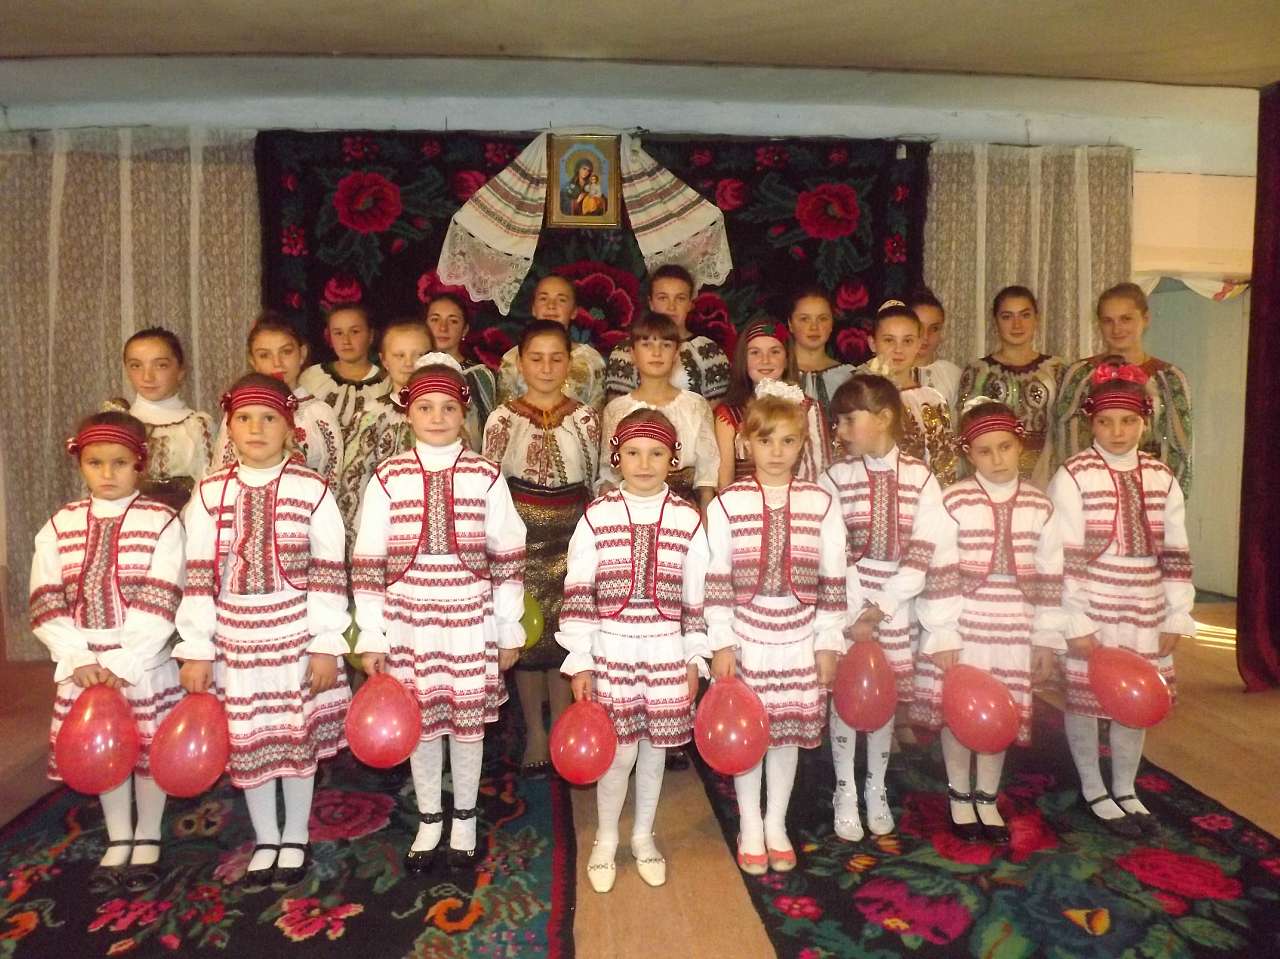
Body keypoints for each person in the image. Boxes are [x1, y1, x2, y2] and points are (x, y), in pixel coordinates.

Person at [175, 374, 351, 891]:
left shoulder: (311, 490)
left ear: (290, 428)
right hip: (235, 639)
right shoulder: (210, 493)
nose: (256, 428)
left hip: (295, 632)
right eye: (245, 419)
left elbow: (328, 570)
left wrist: (324, 643)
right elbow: (198, 573)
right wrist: (197, 647)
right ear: (229, 427)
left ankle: (295, 834)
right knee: (250, 739)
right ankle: (266, 836)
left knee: (294, 738)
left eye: (269, 418)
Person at [353, 364, 526, 873]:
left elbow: (507, 552)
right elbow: (369, 557)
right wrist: (372, 631)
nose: (437, 417)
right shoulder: (389, 477)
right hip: (409, 618)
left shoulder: (485, 475)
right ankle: (430, 817)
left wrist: (507, 625)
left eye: (449, 407)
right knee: (421, 721)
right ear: (408, 413)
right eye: (425, 407)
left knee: (467, 725)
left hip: (469, 617)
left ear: (463, 413)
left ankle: (465, 816)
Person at [558, 409, 710, 892]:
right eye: (634, 453)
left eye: (656, 453)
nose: (644, 464)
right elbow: (578, 589)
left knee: (654, 751)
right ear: (616, 457)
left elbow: (697, 597)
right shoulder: (598, 516)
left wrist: (694, 655)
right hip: (612, 647)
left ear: (673, 460)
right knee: (619, 752)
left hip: (666, 648)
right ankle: (606, 838)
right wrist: (581, 658)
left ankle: (644, 836)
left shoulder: (687, 519)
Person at [31, 412, 185, 889]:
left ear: (139, 463)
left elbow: (163, 594)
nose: (107, 473)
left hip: (140, 662)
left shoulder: (161, 522)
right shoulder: (59, 525)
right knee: (104, 748)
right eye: (95, 463)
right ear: (79, 464)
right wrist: (78, 657)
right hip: (85, 665)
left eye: (119, 462)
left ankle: (148, 832)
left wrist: (124, 658)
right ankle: (119, 835)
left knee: (146, 749)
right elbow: (46, 596)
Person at [706, 394, 853, 875]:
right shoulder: (728, 504)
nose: (776, 451)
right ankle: (750, 823)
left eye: (788, 441)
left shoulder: (820, 503)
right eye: (765, 440)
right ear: (746, 443)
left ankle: (776, 823)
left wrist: (827, 640)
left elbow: (833, 576)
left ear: (802, 445)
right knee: (749, 733)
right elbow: (716, 576)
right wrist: (722, 641)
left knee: (785, 735)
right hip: (747, 637)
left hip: (799, 637)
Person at [1048, 361, 1194, 837]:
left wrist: (1176, 612)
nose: (1117, 431)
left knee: (1137, 696)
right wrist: (1075, 620)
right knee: (1088, 699)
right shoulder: (1074, 475)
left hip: (1144, 604)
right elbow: (1062, 552)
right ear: (1090, 422)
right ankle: (1093, 785)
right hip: (1093, 600)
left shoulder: (1161, 477)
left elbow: (1175, 550)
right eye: (1106, 421)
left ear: (1144, 422)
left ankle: (1126, 786)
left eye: (1128, 421)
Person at [910, 402, 1065, 842]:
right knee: (962, 710)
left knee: (1002, 709)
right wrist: (942, 633)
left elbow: (1052, 576)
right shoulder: (953, 501)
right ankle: (959, 793)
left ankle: (987, 794)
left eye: (1005, 447)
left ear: (1020, 446)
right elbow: (937, 569)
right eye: (984, 451)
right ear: (968, 453)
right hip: (965, 621)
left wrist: (1045, 638)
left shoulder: (1040, 506)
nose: (997, 459)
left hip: (1015, 624)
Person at [819, 374, 959, 840]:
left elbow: (923, 551)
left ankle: (875, 787)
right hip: (847, 599)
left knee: (882, 698)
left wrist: (883, 605)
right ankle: (844, 789)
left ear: (882, 418)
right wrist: (855, 611)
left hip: (896, 604)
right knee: (847, 698)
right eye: (838, 422)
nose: (840, 431)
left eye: (848, 421)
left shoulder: (921, 478)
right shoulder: (834, 479)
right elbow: (832, 550)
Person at [483, 321, 600, 775]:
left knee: (564, 632)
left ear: (570, 363)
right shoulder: (502, 419)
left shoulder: (586, 419)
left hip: (572, 535)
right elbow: (490, 483)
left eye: (556, 358)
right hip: (523, 536)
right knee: (528, 636)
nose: (546, 368)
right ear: (520, 363)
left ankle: (562, 727)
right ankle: (534, 729)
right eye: (536, 358)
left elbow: (597, 481)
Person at [1054, 283, 1193, 497]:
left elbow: (1181, 450)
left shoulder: (1170, 378)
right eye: (1108, 321)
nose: (1116, 329)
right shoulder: (1080, 375)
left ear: (1145, 319)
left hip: (1150, 494)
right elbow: (1065, 442)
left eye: (1126, 319)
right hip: (1091, 493)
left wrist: (1165, 499)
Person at [598, 312, 720, 509]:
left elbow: (707, 476)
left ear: (676, 353)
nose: (657, 353)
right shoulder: (617, 409)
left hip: (684, 509)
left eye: (666, 345)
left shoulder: (695, 405)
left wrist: (705, 518)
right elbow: (609, 473)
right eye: (647, 345)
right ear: (632, 353)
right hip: (630, 508)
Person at [336, 320, 434, 556]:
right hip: (388, 536)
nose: (409, 363)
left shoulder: (447, 416)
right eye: (399, 355)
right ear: (385, 360)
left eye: (419, 355)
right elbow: (353, 482)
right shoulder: (372, 417)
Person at [211, 312, 343, 487]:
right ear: (253, 361)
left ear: (302, 354)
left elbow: (332, 481)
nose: (277, 363)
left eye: (286, 352)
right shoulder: (240, 411)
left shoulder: (318, 414)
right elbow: (222, 475)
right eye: (264, 355)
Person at [957, 287, 1064, 488]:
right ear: (995, 321)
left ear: (1037, 318)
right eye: (1007, 317)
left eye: (1025, 315)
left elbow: (1065, 431)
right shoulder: (978, 372)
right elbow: (968, 432)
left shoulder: (1057, 370)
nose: (1017, 324)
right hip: (992, 477)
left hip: (1048, 476)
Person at [104, 327, 213, 511]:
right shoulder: (116, 422)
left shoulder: (196, 426)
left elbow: (209, 490)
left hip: (182, 522)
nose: (147, 377)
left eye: (161, 365)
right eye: (136, 366)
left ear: (180, 370)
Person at [713, 320, 830, 488]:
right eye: (755, 352)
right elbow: (725, 478)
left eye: (775, 352)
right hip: (746, 499)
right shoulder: (730, 414)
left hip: (798, 498)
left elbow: (817, 470)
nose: (765, 360)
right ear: (743, 359)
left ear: (787, 357)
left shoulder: (807, 408)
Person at [858, 301, 956, 486]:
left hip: (919, 497)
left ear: (919, 344)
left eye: (908, 341)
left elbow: (943, 467)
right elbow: (844, 457)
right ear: (872, 343)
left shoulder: (932, 400)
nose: (898, 349)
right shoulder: (858, 398)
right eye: (889, 340)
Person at [604, 265, 731, 402]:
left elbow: (715, 409)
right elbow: (618, 407)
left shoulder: (708, 350)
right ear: (651, 303)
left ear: (690, 304)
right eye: (663, 298)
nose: (671, 307)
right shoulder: (627, 349)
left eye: (680, 298)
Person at [497, 275, 606, 411]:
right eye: (543, 299)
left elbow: (596, 413)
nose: (551, 306)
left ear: (574, 311)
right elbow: (506, 411)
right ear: (533, 308)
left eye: (561, 300)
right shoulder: (512, 359)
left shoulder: (591, 360)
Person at [298, 302, 390, 445]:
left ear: (371, 335)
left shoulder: (386, 383)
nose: (346, 340)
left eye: (355, 332)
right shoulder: (312, 376)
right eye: (338, 333)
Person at [424, 293, 496, 451]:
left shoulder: (478, 375)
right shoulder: (413, 370)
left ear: (465, 330)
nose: (443, 328)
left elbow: (490, 430)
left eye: (453, 321)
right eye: (435, 319)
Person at [787, 285, 856, 423]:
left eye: (822, 318)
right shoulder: (776, 374)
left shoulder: (848, 376)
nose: (814, 327)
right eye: (804, 319)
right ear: (790, 324)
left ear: (832, 324)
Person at [906, 288, 961, 409]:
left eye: (934, 328)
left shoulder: (951, 374)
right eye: (919, 327)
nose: (926, 336)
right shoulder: (882, 373)